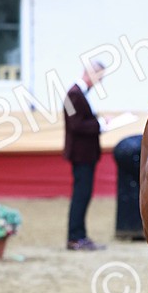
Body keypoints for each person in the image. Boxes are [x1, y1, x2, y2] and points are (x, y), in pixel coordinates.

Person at [63, 59, 108, 251]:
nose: (100, 81)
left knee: (83, 195)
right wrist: (101, 126)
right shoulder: (74, 95)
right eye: (99, 77)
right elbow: (75, 125)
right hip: (81, 154)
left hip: (85, 154)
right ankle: (75, 237)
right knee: (81, 196)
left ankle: (79, 235)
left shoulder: (79, 94)